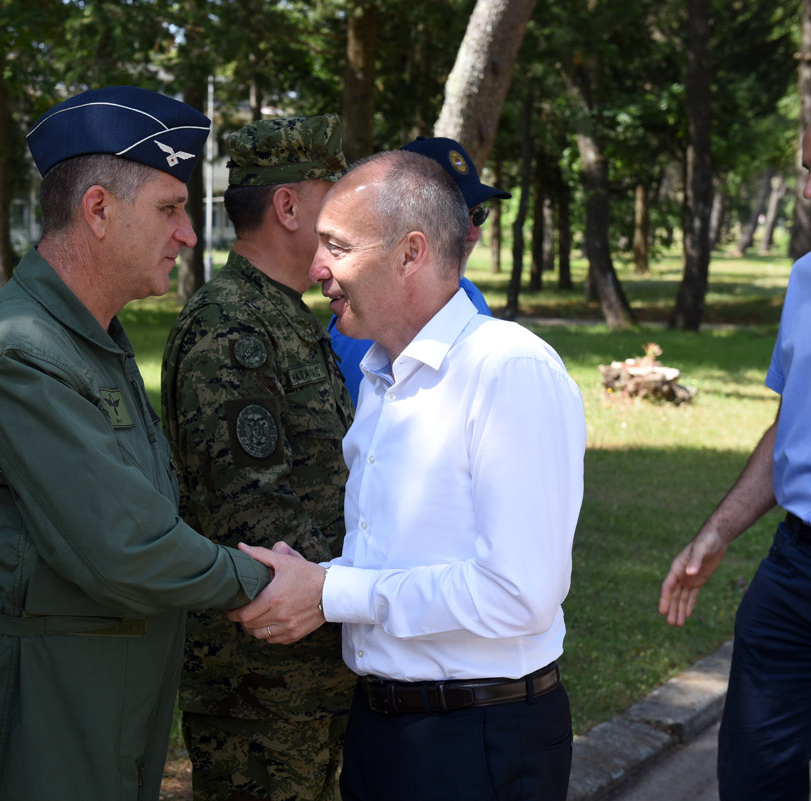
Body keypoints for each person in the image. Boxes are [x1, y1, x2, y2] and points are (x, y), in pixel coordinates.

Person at [0, 86, 272, 801]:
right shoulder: (20, 354)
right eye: (170, 209)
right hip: (29, 720)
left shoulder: (86, 340)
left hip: (93, 709)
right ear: (98, 210)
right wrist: (263, 581)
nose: (188, 235)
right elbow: (128, 545)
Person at [228, 150, 586, 801]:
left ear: (410, 253)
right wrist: (312, 579)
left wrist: (332, 592)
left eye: (337, 246)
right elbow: (401, 556)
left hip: (476, 740)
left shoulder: (507, 369)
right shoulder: (380, 376)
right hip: (383, 729)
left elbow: (519, 592)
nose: (317, 268)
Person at [160, 115, 355, 801]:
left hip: (312, 671)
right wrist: (357, 589)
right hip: (260, 687)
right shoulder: (231, 325)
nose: (346, 215)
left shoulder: (285, 314)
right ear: (289, 206)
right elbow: (253, 516)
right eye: (333, 196)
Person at [658, 126, 811, 801]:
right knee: (753, 776)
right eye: (805, 170)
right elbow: (792, 429)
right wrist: (717, 531)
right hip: (795, 570)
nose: (807, 192)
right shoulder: (806, 279)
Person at [328, 136, 511, 402]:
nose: (472, 234)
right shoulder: (359, 312)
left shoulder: (468, 296)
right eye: (459, 217)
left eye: (478, 215)